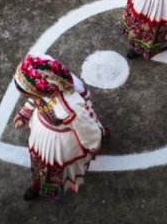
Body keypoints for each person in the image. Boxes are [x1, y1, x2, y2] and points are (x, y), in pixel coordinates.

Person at [12, 54, 107, 201]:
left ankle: (44, 185)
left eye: (26, 92)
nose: (25, 95)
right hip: (43, 131)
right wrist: (25, 113)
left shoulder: (71, 108)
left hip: (61, 141)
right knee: (41, 160)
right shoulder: (43, 83)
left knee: (54, 165)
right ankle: (39, 182)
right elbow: (35, 98)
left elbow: (85, 129)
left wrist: (94, 144)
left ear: (44, 90)